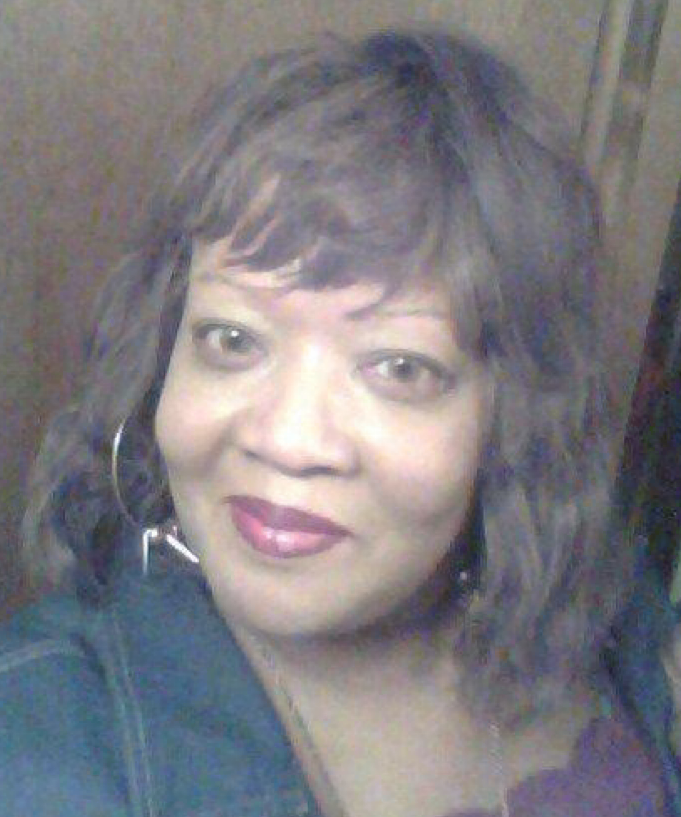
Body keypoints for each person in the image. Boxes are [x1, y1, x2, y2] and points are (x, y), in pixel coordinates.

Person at [1, 27, 679, 817]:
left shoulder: (613, 615)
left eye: (398, 367)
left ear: (514, 413)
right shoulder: (49, 740)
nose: (287, 440)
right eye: (232, 339)